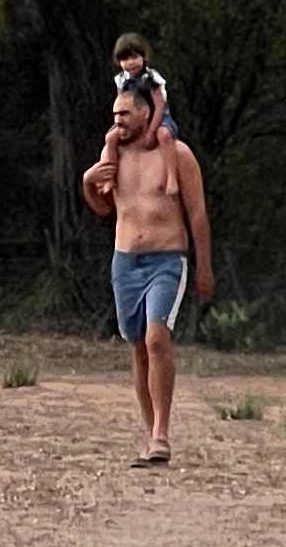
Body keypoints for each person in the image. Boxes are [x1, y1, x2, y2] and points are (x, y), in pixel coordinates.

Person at [81, 66, 212, 468]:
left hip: (167, 260)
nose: (117, 122)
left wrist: (204, 268)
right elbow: (105, 208)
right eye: (114, 115)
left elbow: (198, 215)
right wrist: (88, 183)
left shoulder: (178, 154)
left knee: (158, 339)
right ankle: (149, 432)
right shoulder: (114, 156)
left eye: (124, 115)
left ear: (145, 113)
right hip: (125, 263)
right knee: (138, 347)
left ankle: (162, 433)